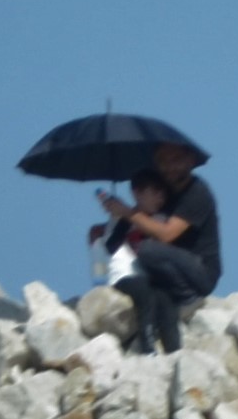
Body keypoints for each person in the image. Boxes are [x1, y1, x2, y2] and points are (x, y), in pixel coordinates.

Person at [89, 141, 219, 355]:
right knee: (160, 298)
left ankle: (187, 299)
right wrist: (112, 219)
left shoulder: (197, 192)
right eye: (162, 161)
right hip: (160, 272)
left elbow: (165, 233)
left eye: (175, 160)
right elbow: (124, 230)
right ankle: (173, 354)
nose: (169, 167)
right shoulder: (166, 193)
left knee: (149, 250)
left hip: (200, 271)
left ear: (191, 161)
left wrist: (126, 212)